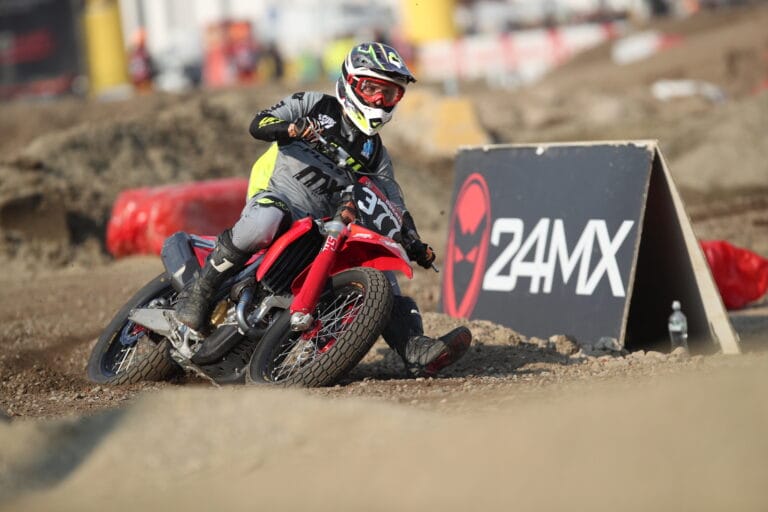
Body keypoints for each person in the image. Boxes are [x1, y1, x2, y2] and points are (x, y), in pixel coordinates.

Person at [175, 42, 472, 378]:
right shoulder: (315, 104)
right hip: (280, 197)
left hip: (325, 224)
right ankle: (199, 291)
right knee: (265, 221)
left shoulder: (375, 153)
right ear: (350, 83)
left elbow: (393, 202)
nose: (378, 100)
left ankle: (414, 347)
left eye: (389, 94)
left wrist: (413, 240)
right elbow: (259, 122)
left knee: (378, 265)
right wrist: (291, 128)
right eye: (371, 89)